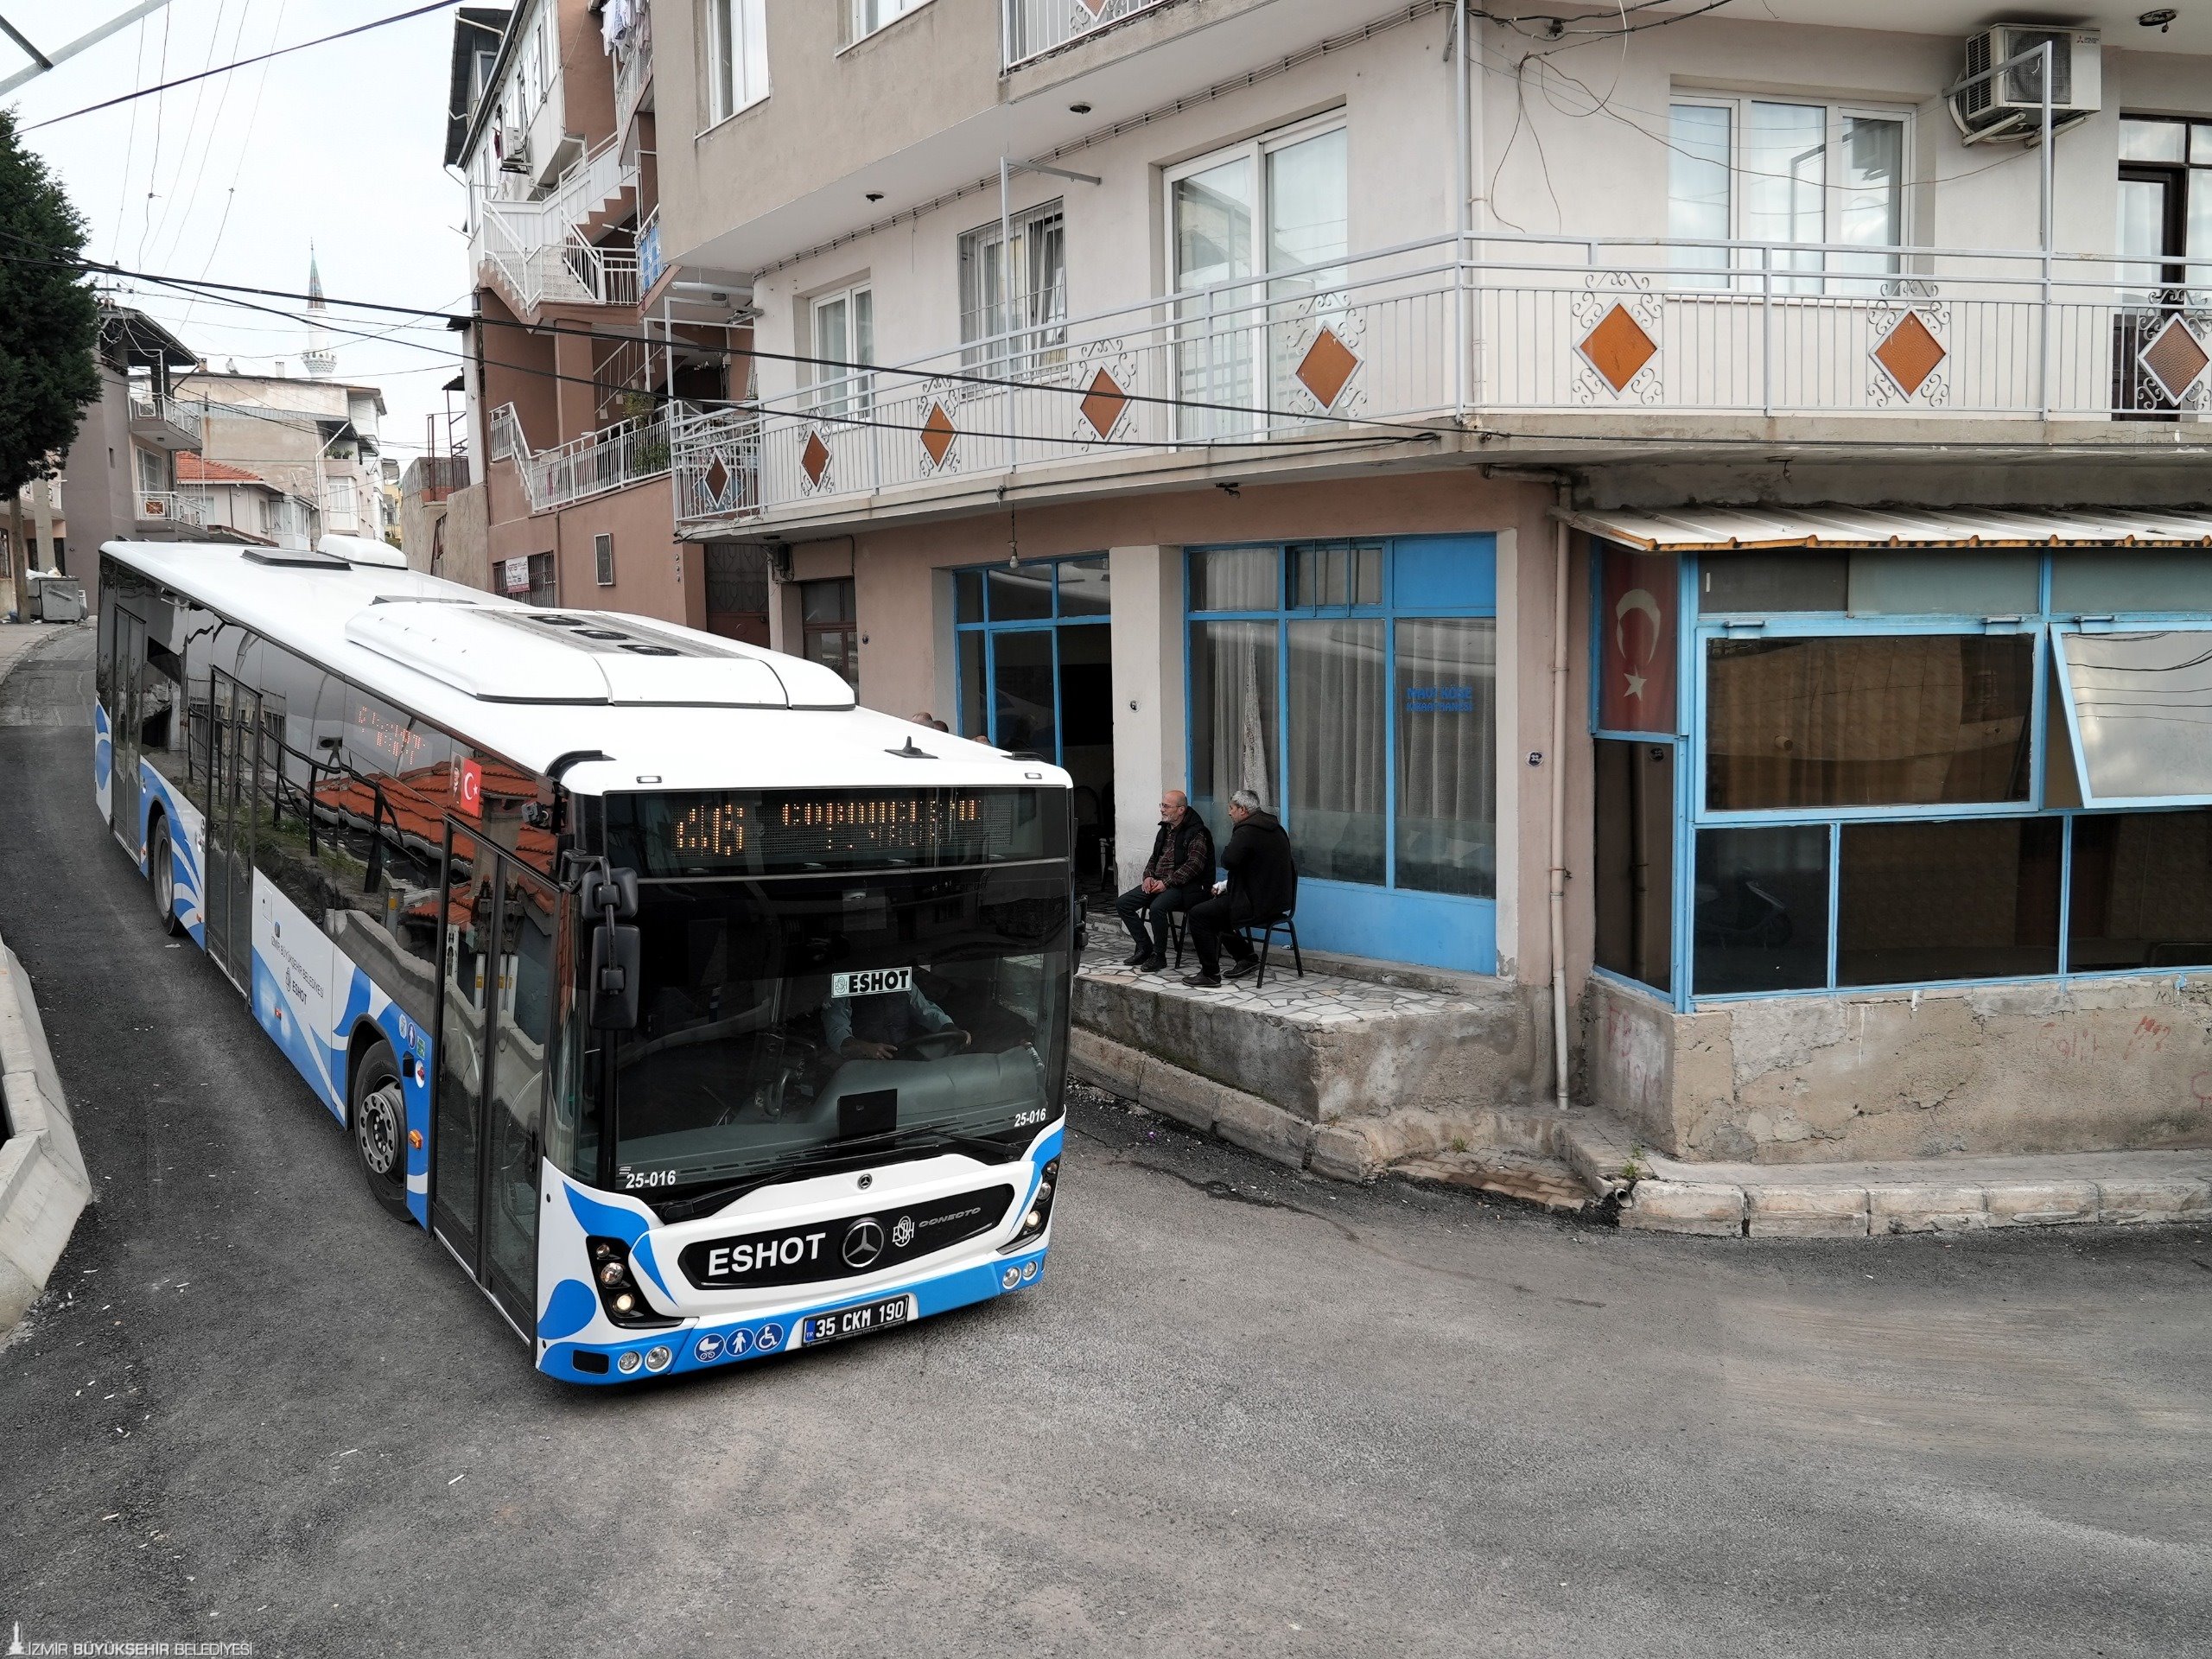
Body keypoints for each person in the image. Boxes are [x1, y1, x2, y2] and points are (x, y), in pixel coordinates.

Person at [1183, 789, 1296, 988]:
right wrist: (1227, 886)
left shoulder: (1246, 831)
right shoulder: (1276, 828)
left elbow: (1228, 860)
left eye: (1232, 808)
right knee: (1217, 912)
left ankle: (1210, 974)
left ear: (1243, 810)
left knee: (1199, 915)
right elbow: (1255, 872)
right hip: (1276, 901)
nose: (1229, 813)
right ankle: (1246, 957)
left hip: (1255, 903)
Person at [1114, 789, 1214, 973]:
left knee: (1157, 908)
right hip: (1158, 881)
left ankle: (1159, 955)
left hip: (1183, 886)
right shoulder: (1165, 829)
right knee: (1123, 903)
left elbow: (1194, 865)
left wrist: (1167, 883)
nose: (1162, 809)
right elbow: (1154, 857)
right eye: (1162, 805)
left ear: (1181, 810)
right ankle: (1145, 947)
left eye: (1167, 806)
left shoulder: (1197, 832)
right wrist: (1148, 876)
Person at [823, 982, 967, 1061]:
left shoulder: (902, 981)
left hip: (907, 1060)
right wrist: (864, 1048)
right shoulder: (842, 987)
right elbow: (837, 1031)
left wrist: (949, 1027)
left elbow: (926, 1010)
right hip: (864, 1066)